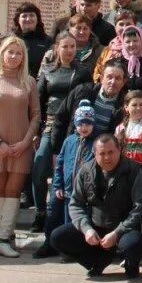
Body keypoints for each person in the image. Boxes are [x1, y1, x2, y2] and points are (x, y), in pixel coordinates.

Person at [49, 133, 142, 279]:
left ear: (119, 150)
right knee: (58, 237)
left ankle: (131, 264)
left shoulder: (135, 171)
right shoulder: (85, 171)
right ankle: (96, 262)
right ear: (94, 154)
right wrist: (86, 229)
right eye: (102, 153)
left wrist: (117, 233)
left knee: (132, 244)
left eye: (111, 152)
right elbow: (76, 203)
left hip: (126, 227)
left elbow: (141, 208)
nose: (107, 157)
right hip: (98, 225)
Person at [0, 35, 42, 258]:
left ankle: (2, 238)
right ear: (1, 53)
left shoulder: (29, 81)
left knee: (13, 190)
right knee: (1, 190)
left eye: (19, 53)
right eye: (10, 52)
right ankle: (7, 235)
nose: (14, 57)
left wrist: (26, 142)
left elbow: (36, 115)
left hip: (21, 145)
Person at [33, 31, 93, 232]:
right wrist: (37, 129)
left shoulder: (83, 71)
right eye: (65, 46)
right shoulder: (48, 71)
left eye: (72, 47)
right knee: (40, 165)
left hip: (75, 127)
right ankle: (41, 212)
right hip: (50, 125)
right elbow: (38, 102)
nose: (68, 50)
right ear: (56, 48)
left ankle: (64, 218)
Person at [35, 100, 96, 259]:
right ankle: (50, 244)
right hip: (65, 188)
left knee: (73, 220)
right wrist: (57, 185)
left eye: (88, 123)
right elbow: (60, 163)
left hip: (82, 191)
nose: (84, 127)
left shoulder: (96, 143)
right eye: (81, 123)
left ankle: (70, 249)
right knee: (54, 214)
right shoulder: (69, 141)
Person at [50, 59, 129, 150]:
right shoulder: (83, 91)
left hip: (103, 153)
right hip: (74, 146)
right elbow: (60, 119)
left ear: (124, 82)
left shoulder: (125, 105)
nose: (113, 82)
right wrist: (56, 151)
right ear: (102, 78)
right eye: (109, 77)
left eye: (118, 78)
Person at [116, 90, 142, 181]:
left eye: (141, 104)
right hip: (124, 173)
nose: (138, 108)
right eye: (134, 105)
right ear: (126, 107)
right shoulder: (120, 128)